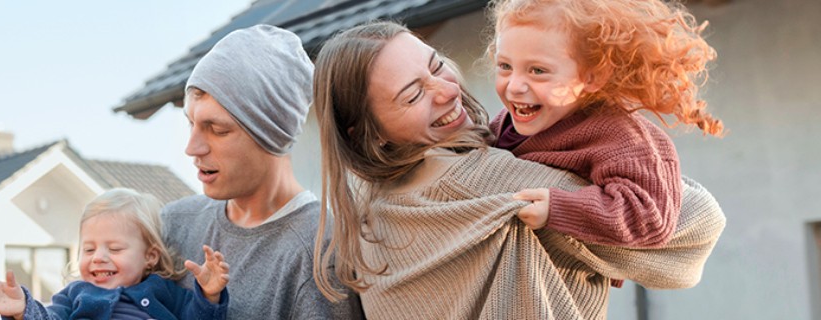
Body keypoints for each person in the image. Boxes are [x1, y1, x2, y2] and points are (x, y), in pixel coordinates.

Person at [310, 20, 725, 319]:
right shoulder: (479, 178)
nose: (449, 90)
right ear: (368, 132)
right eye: (414, 94)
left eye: (437, 67)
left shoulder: (365, 214)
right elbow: (698, 225)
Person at [161, 24, 361, 319]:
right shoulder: (172, 226)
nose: (192, 147)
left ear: (273, 135)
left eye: (216, 129)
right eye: (191, 123)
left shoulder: (321, 254)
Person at [488, 0, 723, 251]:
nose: (514, 86)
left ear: (592, 77)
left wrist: (558, 208)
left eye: (537, 70)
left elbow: (650, 217)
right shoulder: (508, 121)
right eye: (505, 67)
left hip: (568, 282)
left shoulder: (618, 135)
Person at [0, 188, 231, 320]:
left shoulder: (163, 291)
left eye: (114, 249)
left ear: (150, 256)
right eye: (88, 249)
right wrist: (24, 309)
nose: (98, 257)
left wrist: (208, 294)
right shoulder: (75, 295)